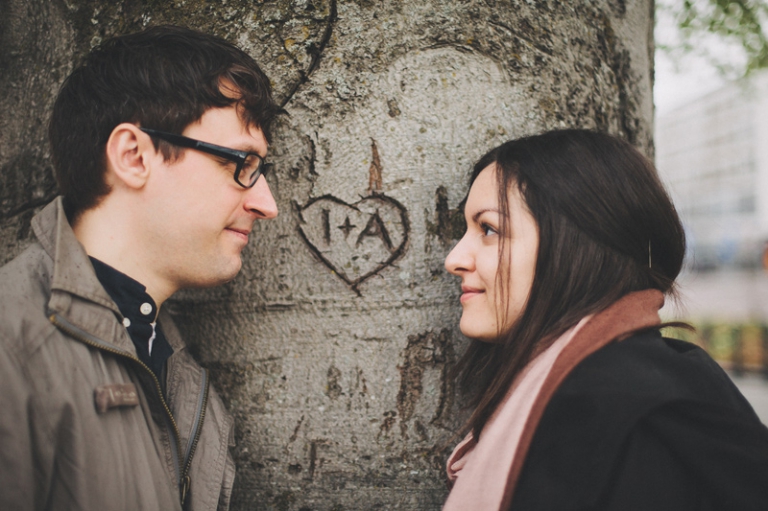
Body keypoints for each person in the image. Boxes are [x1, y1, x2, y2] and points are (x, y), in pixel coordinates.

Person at [0, 25, 280, 510]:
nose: (266, 203)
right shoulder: (13, 351)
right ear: (133, 156)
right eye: (241, 163)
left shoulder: (175, 371)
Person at [442, 129, 768, 510]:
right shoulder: (595, 387)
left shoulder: (631, 411)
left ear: (574, 243)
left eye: (489, 229)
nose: (454, 259)